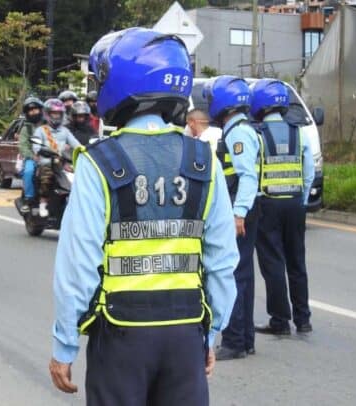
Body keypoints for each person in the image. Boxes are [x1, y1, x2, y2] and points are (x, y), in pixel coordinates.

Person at [49, 28, 238, 405]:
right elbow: (222, 262)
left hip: (121, 338)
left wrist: (64, 345)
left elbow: (78, 266)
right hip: (185, 335)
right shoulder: (204, 162)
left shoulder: (98, 163)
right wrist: (210, 333)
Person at [203, 75, 262, 360]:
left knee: (234, 274)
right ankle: (245, 339)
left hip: (240, 210)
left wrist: (239, 214)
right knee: (244, 275)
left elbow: (247, 176)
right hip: (246, 208)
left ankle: (234, 341)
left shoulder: (238, 133)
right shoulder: (240, 129)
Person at [250, 79, 315, 336]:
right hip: (296, 204)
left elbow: (253, 175)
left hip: (268, 204)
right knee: (297, 261)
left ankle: (280, 321)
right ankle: (303, 319)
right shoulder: (299, 132)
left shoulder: (257, 135)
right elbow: (308, 172)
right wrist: (303, 199)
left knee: (273, 262)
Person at [32, 98, 80, 218]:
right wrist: (42, 150)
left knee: (79, 177)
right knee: (47, 176)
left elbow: (76, 144)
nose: (56, 116)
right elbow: (36, 146)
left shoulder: (65, 131)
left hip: (63, 163)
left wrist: (86, 150)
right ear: (47, 114)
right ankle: (43, 203)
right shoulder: (41, 130)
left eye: (59, 114)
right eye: (54, 113)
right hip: (47, 163)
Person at [18, 96, 45, 213]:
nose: (33, 112)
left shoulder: (48, 125)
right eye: (30, 110)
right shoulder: (26, 129)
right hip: (32, 158)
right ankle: (28, 199)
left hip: (50, 157)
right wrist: (32, 156)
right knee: (28, 172)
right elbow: (23, 145)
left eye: (36, 109)